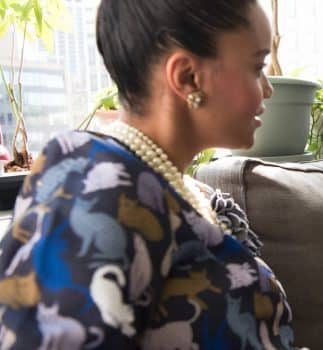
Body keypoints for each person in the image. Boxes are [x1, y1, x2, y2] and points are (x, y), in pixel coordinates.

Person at [0, 0, 302, 348]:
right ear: (187, 77)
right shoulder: (93, 184)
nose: (268, 89)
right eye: (257, 66)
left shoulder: (178, 189)